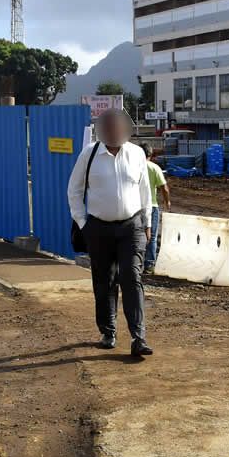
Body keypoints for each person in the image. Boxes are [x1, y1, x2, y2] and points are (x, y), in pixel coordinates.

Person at [67, 108, 154, 358]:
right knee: (104, 281)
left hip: (132, 227)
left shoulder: (136, 154)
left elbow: (145, 191)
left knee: (131, 276)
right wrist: (83, 223)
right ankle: (108, 331)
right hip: (99, 228)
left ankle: (138, 337)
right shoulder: (89, 154)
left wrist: (147, 223)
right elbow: (74, 190)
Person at [143, 146, 170, 274]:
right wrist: (167, 201)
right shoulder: (154, 168)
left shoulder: (133, 166)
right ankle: (149, 265)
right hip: (152, 206)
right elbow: (164, 187)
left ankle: (134, 262)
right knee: (152, 237)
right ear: (151, 154)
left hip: (135, 207)